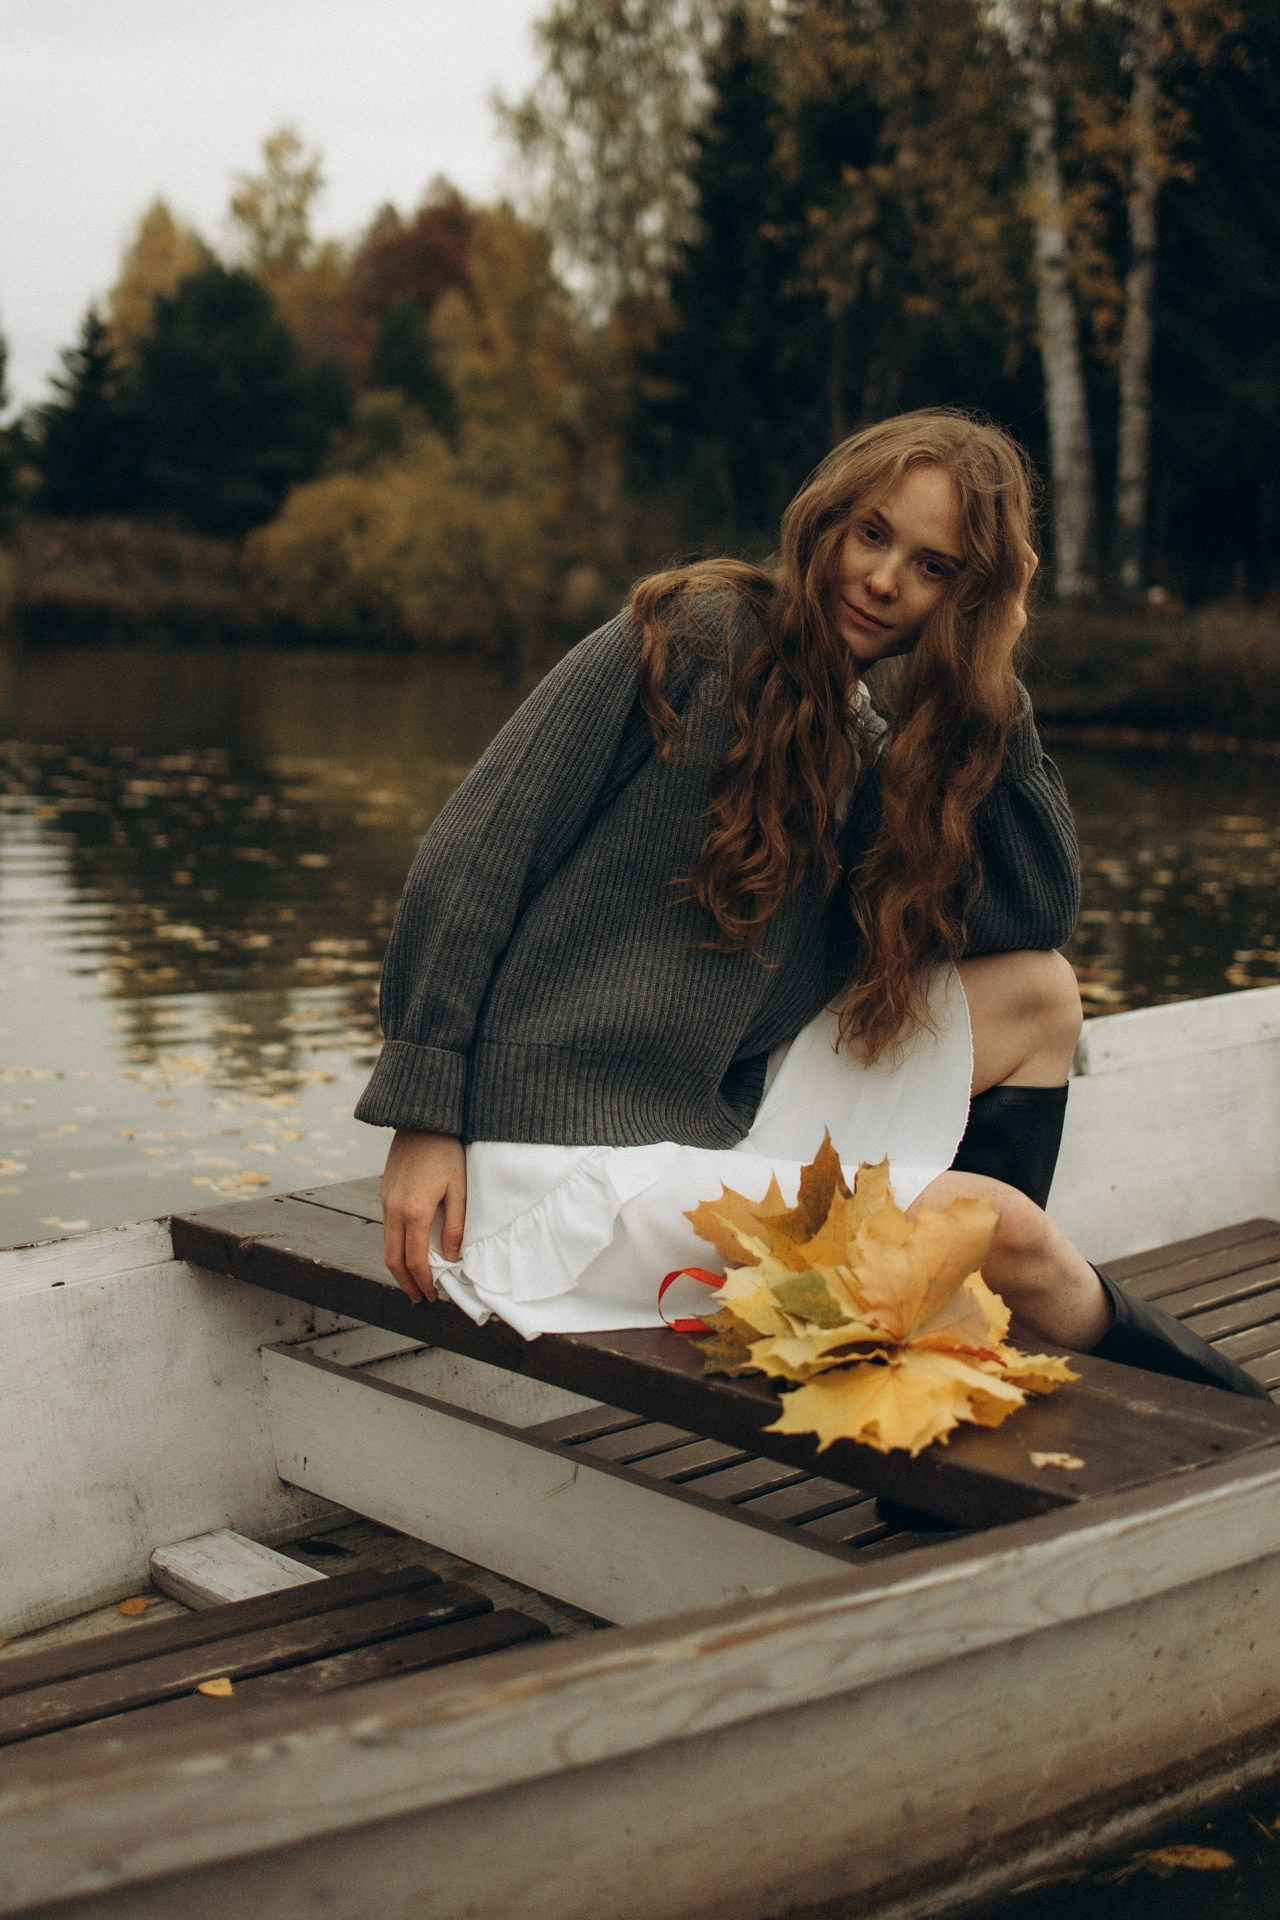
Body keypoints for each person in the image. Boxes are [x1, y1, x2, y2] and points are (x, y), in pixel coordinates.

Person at [357, 409, 1264, 1399]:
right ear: (825, 517)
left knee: (1037, 995)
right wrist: (424, 1112)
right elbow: (478, 853)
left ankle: (944, 1352)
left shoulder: (873, 740)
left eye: (933, 569)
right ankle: (1237, 1422)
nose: (884, 578)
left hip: (709, 1121)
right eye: (873, 534)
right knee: (1003, 1232)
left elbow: (1033, 911)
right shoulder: (689, 630)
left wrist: (992, 670)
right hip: (555, 1165)